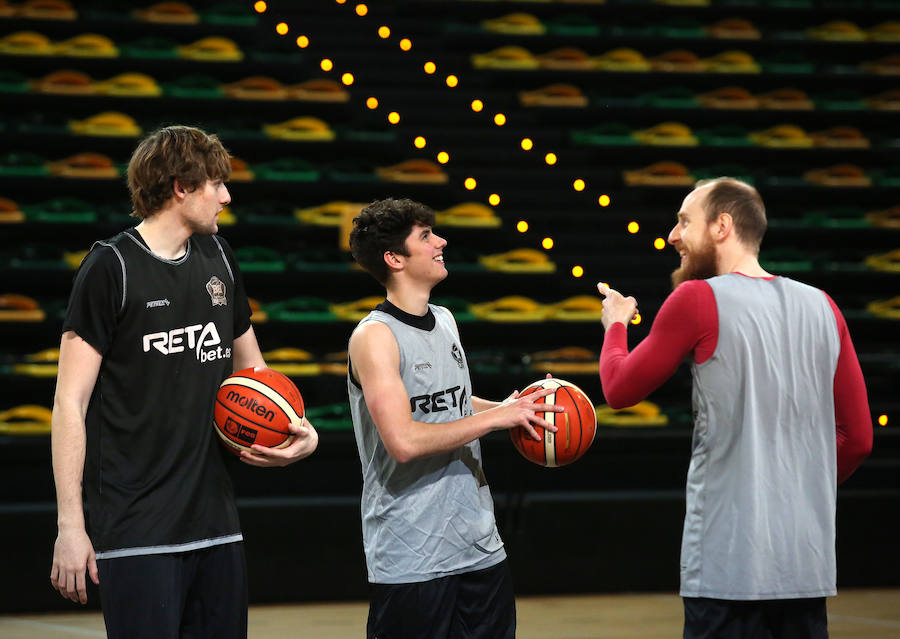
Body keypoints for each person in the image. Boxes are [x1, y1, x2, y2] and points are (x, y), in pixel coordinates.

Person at [49, 125, 318, 638]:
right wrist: (70, 525)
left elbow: (256, 376)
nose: (226, 197)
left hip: (216, 522)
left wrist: (297, 431)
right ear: (180, 187)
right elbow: (69, 402)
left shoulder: (219, 258)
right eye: (216, 184)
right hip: (136, 529)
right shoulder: (112, 266)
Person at [595, 177, 873, 639]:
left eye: (684, 221)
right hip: (805, 562)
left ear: (722, 226)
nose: (672, 236)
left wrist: (616, 325)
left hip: (728, 562)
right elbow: (859, 439)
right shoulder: (825, 306)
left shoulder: (697, 298)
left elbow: (619, 388)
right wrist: (798, 485)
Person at [347, 197, 562, 639]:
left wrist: (513, 408)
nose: (441, 241)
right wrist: (497, 420)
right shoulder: (374, 338)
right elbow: (403, 441)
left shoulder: (444, 319)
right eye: (425, 236)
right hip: (412, 554)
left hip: (479, 544)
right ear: (394, 259)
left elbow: (454, 405)